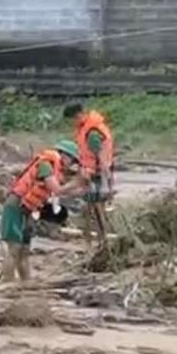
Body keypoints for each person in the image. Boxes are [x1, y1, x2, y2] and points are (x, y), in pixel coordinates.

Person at [0, 140, 83, 283]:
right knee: (14, 249)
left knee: (25, 251)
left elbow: (60, 192)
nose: (71, 165)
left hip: (28, 210)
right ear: (64, 155)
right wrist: (76, 182)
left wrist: (82, 189)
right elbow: (57, 189)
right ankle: (7, 283)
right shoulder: (46, 165)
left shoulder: (55, 170)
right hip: (15, 206)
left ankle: (26, 283)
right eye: (72, 160)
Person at [63, 104, 116, 250]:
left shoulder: (92, 133)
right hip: (92, 174)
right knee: (90, 209)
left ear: (78, 115)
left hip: (97, 176)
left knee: (96, 210)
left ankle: (100, 241)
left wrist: (107, 182)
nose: (71, 124)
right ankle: (94, 241)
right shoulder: (87, 129)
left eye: (71, 121)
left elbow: (101, 158)